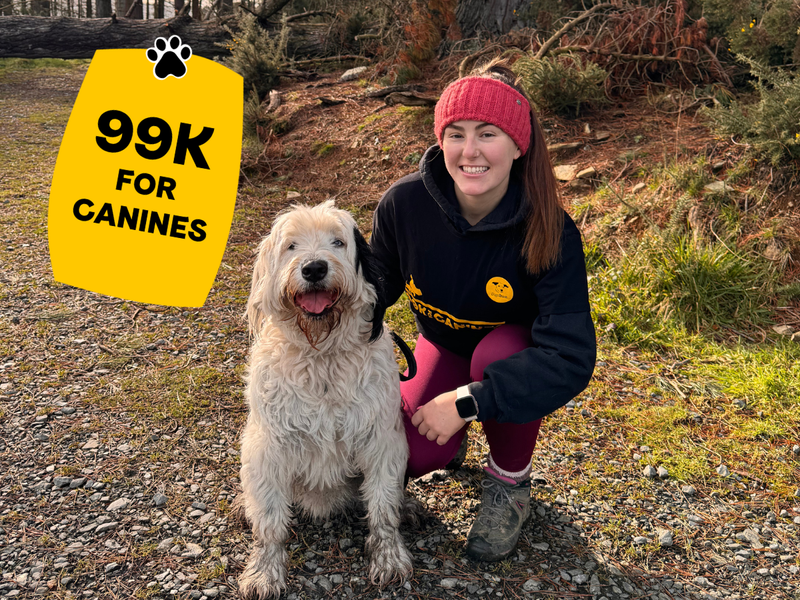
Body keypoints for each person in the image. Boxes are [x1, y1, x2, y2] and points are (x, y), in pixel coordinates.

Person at [369, 59, 597, 562]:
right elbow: (373, 287)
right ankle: (457, 433)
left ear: (518, 145)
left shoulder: (551, 231)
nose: (469, 151)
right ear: (440, 140)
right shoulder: (403, 205)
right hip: (441, 346)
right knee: (410, 453)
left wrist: (465, 403)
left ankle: (509, 480)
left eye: (487, 134)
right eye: (456, 133)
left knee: (495, 355)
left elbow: (569, 357)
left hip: (503, 358)